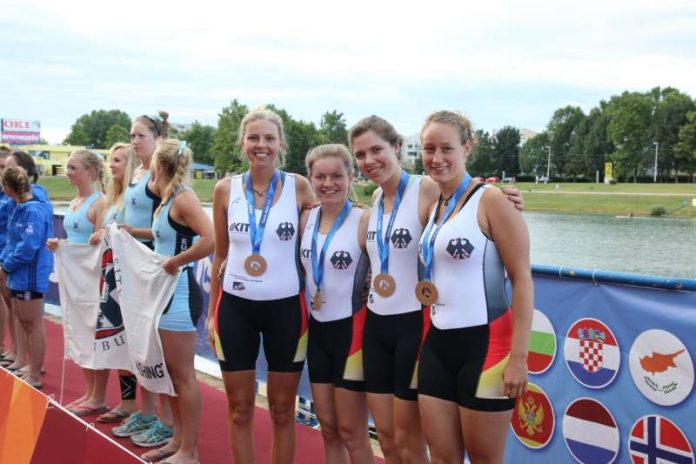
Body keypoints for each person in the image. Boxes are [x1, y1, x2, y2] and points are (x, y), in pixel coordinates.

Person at [348, 116, 523, 464]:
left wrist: (509, 200)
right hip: (418, 337)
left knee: (463, 453)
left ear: (396, 148)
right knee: (415, 447)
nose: (370, 161)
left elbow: (519, 275)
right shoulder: (387, 205)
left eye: (377, 150)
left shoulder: (438, 190)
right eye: (361, 155)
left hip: (456, 336)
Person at [416, 111, 532, 464]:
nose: (437, 158)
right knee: (442, 457)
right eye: (429, 149)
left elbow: (522, 279)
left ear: (467, 147)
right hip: (437, 345)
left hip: (488, 348)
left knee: (484, 459)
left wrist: (520, 357)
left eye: (447, 148)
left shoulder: (492, 200)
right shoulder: (434, 205)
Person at [207, 107, 315, 464]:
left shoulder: (299, 186)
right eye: (254, 137)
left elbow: (330, 226)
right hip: (235, 309)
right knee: (239, 408)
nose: (261, 145)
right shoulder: (225, 189)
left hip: (286, 311)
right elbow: (219, 257)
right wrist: (212, 314)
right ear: (243, 142)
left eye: (269, 138)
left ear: (280, 143)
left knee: (283, 410)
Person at [299, 144, 374, 464]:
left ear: (350, 176)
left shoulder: (365, 220)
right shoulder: (304, 219)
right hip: (318, 334)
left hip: (352, 336)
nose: (328, 183)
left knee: (351, 431)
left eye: (336, 176)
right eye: (320, 176)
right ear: (310, 179)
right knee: (328, 428)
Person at [145, 138, 213, 464]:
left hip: (180, 294)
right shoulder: (166, 197)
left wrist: (176, 261)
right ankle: (177, 441)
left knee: (183, 375)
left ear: (159, 164)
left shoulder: (183, 197)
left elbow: (211, 239)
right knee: (171, 374)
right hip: (164, 294)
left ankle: (191, 451)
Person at [111, 112, 174, 456]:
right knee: (139, 345)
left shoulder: (159, 175)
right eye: (131, 135)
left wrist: (135, 234)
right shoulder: (136, 172)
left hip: (152, 268)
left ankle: (164, 418)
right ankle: (146, 411)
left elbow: (169, 228)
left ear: (156, 139)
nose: (134, 141)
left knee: (157, 347)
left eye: (140, 136)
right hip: (132, 269)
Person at [47, 149, 109, 417]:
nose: (68, 172)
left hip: (93, 280)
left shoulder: (100, 203)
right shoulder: (73, 203)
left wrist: (98, 236)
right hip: (74, 281)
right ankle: (88, 391)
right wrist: (58, 245)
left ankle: (99, 395)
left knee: (96, 333)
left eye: (73, 168)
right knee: (79, 332)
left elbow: (103, 242)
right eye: (67, 167)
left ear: (91, 172)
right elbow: (75, 242)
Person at [89, 143, 142, 424]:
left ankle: (140, 406)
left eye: (118, 160)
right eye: (110, 160)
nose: (112, 165)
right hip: (110, 279)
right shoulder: (110, 199)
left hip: (130, 280)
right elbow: (101, 231)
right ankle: (127, 401)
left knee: (133, 342)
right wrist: (99, 234)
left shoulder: (135, 201)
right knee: (118, 341)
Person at [0, 151, 53, 377]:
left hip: (28, 271)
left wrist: (6, 265)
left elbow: (28, 245)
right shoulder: (21, 207)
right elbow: (15, 240)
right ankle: (25, 361)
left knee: (32, 321)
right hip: (17, 269)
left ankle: (34, 369)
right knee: (23, 318)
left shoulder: (33, 206)